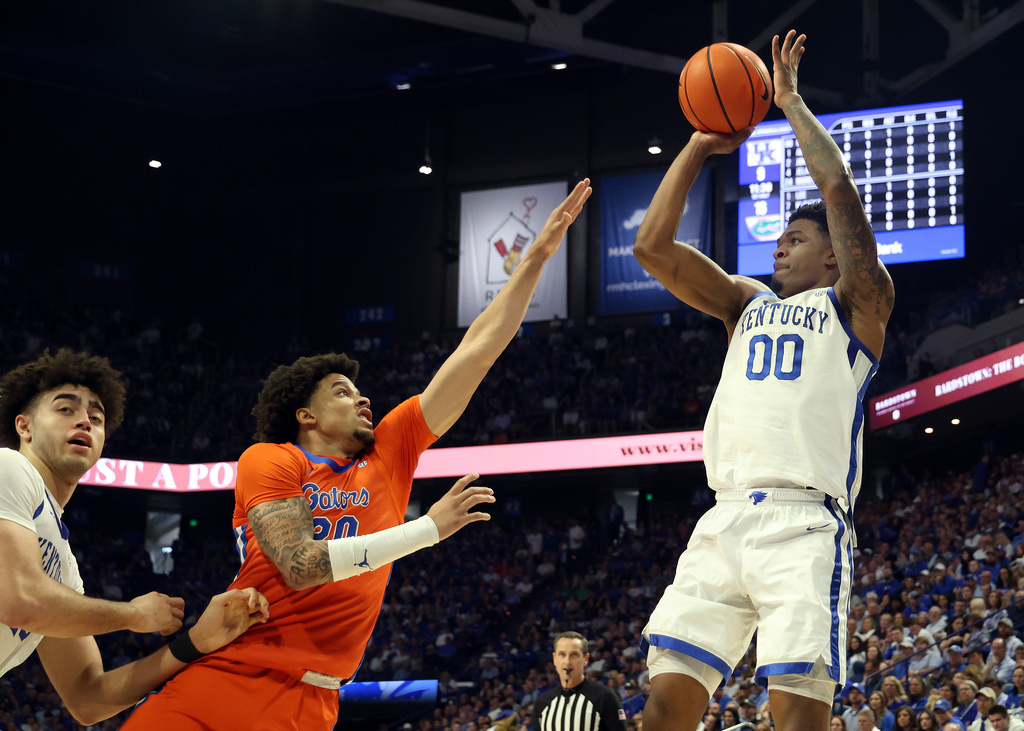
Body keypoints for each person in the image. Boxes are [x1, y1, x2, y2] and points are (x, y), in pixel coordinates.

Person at [121, 181, 593, 730]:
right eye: (343, 392)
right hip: (230, 675)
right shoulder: (270, 459)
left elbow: (479, 347)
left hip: (316, 701)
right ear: (306, 416)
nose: (364, 397)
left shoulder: (391, 451)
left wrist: (535, 257)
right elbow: (300, 568)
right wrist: (427, 530)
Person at [635, 23, 895, 731]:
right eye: (780, 236)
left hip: (804, 523)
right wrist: (697, 141)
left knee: (797, 717)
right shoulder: (745, 303)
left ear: (834, 258)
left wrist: (790, 105)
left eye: (799, 237)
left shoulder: (857, 307)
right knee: (662, 708)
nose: (781, 242)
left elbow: (840, 196)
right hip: (723, 518)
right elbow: (651, 246)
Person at [0, 349, 269, 725]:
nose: (85, 422)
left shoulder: (62, 566)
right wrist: (132, 615)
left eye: (96, 417)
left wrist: (194, 642)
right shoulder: (9, 466)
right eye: (65, 410)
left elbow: (89, 698)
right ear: (24, 427)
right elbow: (21, 602)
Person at [533, 632, 627, 731]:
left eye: (574, 655)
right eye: (562, 655)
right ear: (555, 659)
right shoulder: (542, 703)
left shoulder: (605, 697)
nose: (567, 661)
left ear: (585, 659)